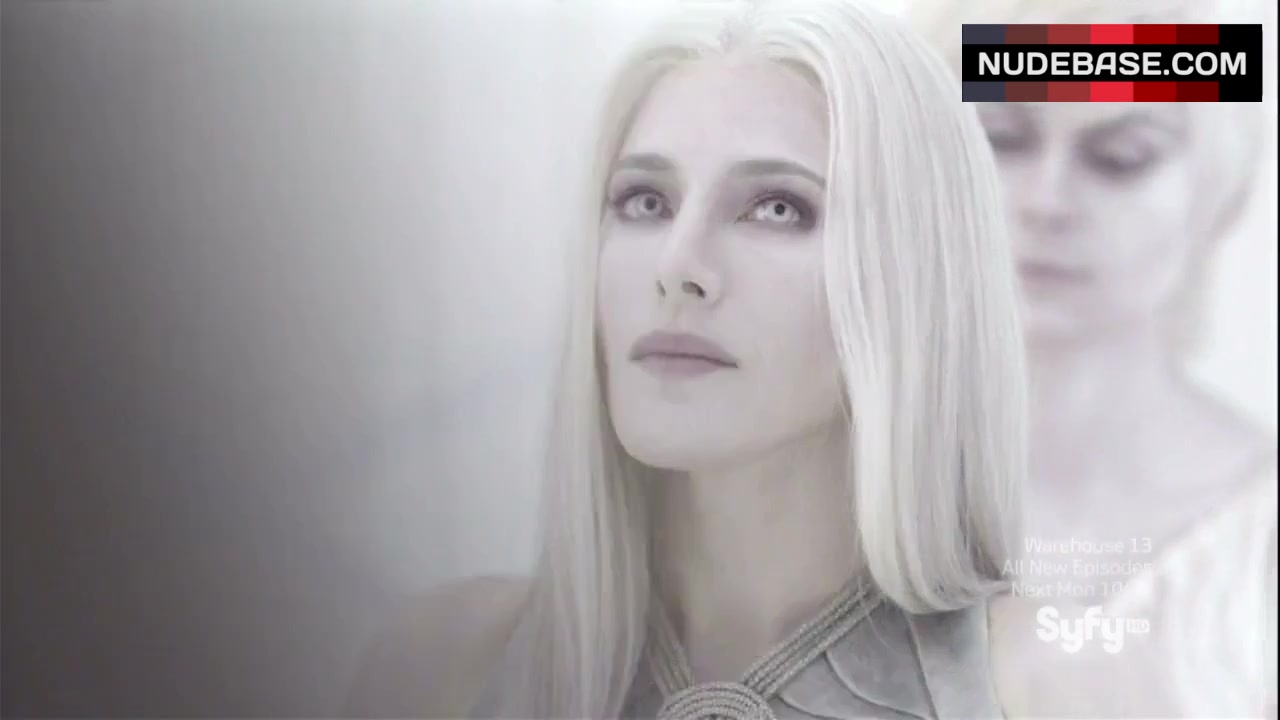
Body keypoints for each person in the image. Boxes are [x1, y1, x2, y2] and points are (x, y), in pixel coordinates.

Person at [344, 1, 1170, 717]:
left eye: (776, 208)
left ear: (913, 282)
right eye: (644, 200)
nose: (678, 265)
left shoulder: (1054, 687)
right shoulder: (441, 669)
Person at [909, 0, 1279, 717]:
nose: (1049, 201)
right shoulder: (811, 485)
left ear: (1219, 194)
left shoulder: (1255, 543)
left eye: (1121, 158)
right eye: (1002, 139)